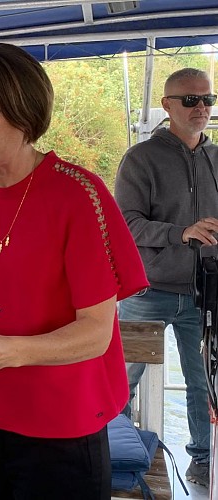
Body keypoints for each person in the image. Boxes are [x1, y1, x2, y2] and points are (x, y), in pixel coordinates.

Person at [0, 43, 148, 499]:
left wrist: (8, 352)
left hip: (63, 427)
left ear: (26, 112)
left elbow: (95, 333)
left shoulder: (79, 195)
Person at [114, 67, 218, 488]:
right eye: (190, 100)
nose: (201, 108)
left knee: (203, 382)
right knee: (121, 380)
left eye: (208, 100)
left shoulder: (217, 159)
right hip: (147, 289)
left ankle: (204, 461)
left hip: (204, 293)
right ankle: (116, 456)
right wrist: (181, 232)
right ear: (167, 106)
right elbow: (125, 225)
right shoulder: (141, 159)